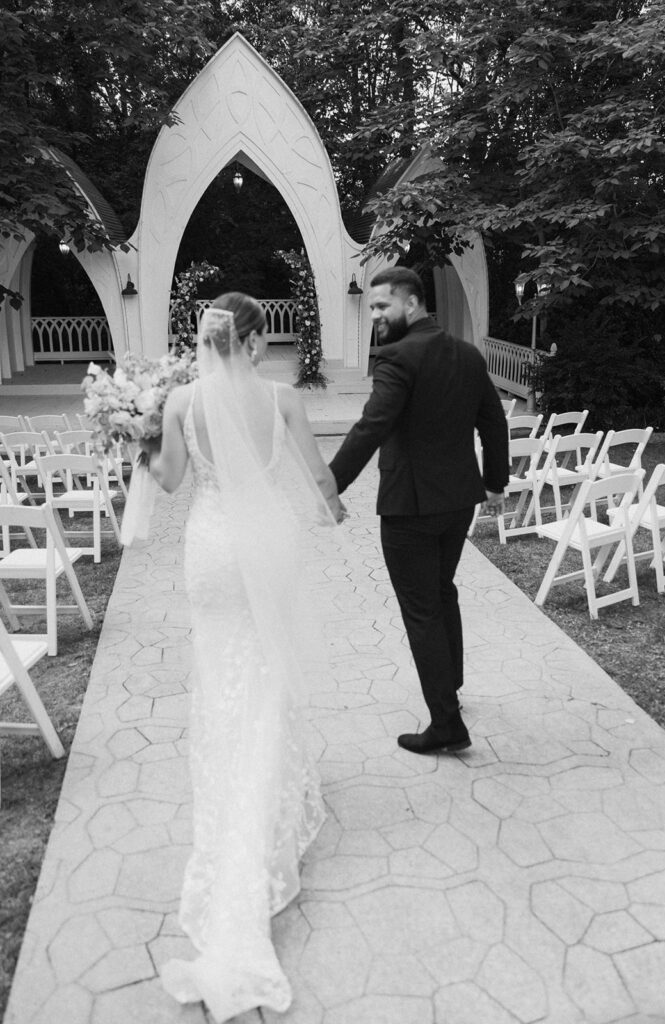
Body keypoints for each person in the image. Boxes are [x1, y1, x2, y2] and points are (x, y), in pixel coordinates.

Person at [141, 292, 344, 1020]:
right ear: (254, 341)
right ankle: (268, 792)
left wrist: (136, 440)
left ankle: (230, 779)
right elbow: (316, 479)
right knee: (267, 669)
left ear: (208, 340)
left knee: (221, 667)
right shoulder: (283, 398)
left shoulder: (181, 401)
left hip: (210, 546)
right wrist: (335, 505)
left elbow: (168, 483)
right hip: (267, 542)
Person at [329, 267, 509, 755]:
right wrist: (495, 482)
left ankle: (446, 723)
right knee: (442, 592)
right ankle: (451, 685)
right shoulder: (467, 354)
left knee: (422, 610)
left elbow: (372, 425)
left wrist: (329, 485)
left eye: (383, 307)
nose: (377, 317)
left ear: (412, 304)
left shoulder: (397, 356)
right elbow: (494, 422)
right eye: (373, 310)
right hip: (457, 503)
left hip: (410, 507)